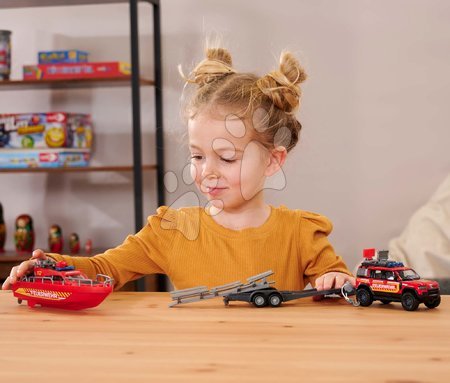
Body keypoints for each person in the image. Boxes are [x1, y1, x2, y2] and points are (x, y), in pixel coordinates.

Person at [2, 47, 355, 293]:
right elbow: (105, 270)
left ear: (273, 161)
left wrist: (336, 280)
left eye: (227, 159)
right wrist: (52, 265)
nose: (208, 172)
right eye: (198, 157)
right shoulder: (171, 231)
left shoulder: (299, 233)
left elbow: (336, 279)